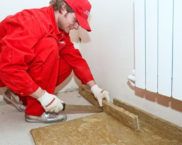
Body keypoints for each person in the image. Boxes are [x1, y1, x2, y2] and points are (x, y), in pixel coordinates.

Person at [0, 0, 110, 123]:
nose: (76, 27)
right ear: (63, 8)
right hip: (5, 70)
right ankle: (35, 113)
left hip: (11, 70)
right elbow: (8, 68)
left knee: (66, 62)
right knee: (50, 46)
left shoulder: (58, 29)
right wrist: (43, 96)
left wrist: (94, 87)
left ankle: (24, 98)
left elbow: (74, 58)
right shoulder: (32, 22)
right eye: (75, 20)